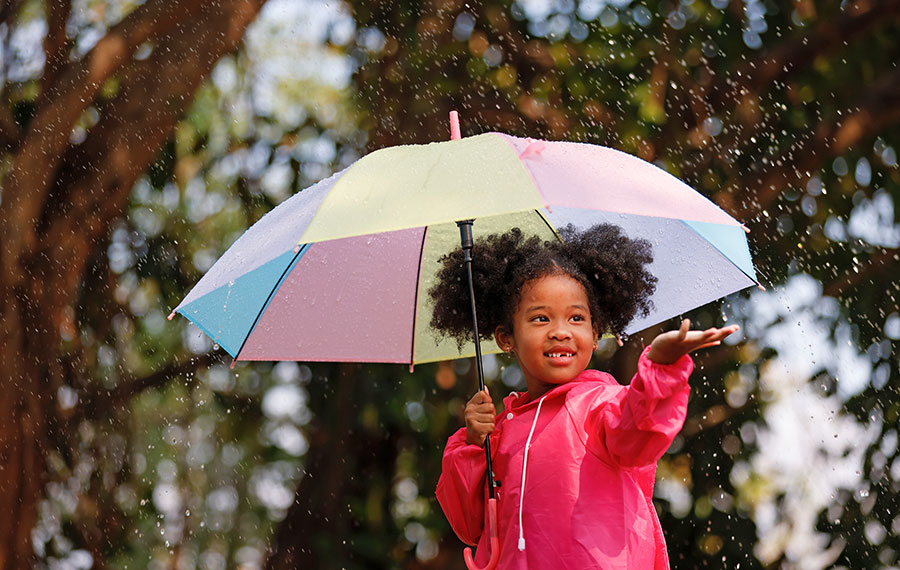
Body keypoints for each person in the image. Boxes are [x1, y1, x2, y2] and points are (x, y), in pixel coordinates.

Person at [430, 224, 739, 569]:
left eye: (576, 318)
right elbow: (470, 526)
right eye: (541, 318)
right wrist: (474, 445)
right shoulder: (498, 431)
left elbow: (641, 431)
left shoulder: (602, 404)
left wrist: (660, 367)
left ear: (595, 334)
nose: (560, 331)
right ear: (506, 337)